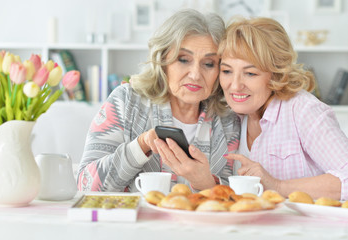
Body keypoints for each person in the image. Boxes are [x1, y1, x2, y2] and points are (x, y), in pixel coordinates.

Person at [77, 9, 240, 192]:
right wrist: (142, 145)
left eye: (208, 64)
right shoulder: (125, 101)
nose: (195, 75)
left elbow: (236, 199)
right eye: (183, 60)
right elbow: (86, 184)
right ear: (163, 60)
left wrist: (206, 183)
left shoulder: (227, 120)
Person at [220, 16, 348, 201]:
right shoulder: (228, 116)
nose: (235, 85)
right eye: (227, 71)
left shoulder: (304, 111)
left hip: (306, 228)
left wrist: (277, 186)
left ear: (276, 74)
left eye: (250, 73)